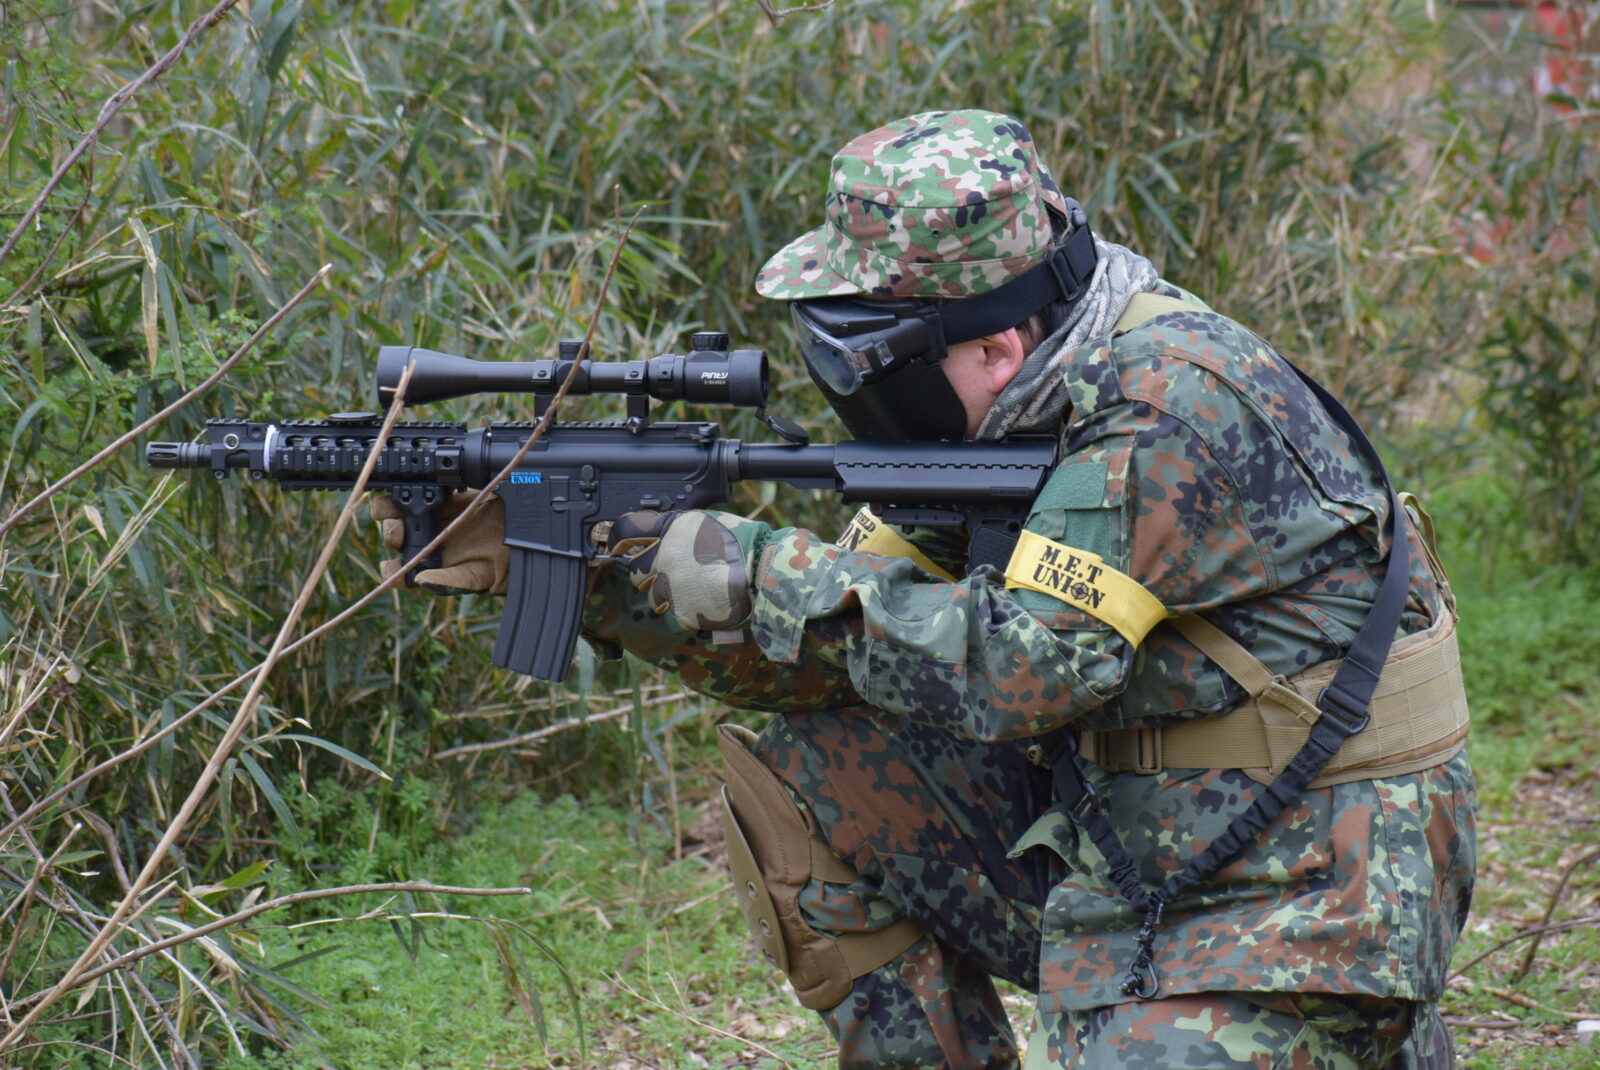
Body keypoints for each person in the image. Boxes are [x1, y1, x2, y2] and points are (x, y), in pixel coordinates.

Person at [376, 109, 1476, 1069]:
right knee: (813, 764)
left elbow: (1018, 670)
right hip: (1150, 836)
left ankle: (1351, 1025)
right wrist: (602, 566)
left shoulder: (1164, 407)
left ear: (995, 346)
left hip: (1304, 877)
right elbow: (842, 642)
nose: (860, 389)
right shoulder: (1027, 403)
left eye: (875, 362)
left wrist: (728, 557)